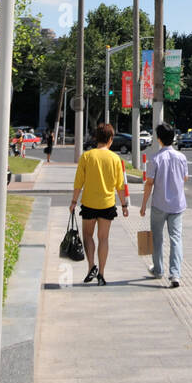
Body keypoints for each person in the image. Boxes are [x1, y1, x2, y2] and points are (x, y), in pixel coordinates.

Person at [70, 122, 128, 285]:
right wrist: (123, 205)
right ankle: (101, 274)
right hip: (107, 204)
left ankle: (91, 267)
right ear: (110, 139)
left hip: (89, 203)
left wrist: (74, 201)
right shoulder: (115, 158)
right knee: (104, 238)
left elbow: (78, 182)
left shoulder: (87, 156)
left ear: (96, 138)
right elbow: (120, 185)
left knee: (88, 236)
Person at [140, 122, 188, 288]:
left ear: (158, 139)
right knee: (176, 238)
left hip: (159, 205)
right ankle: (175, 274)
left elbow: (149, 183)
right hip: (177, 205)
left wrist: (143, 205)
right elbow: (185, 178)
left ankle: (158, 269)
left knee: (157, 238)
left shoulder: (155, 159)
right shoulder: (182, 158)